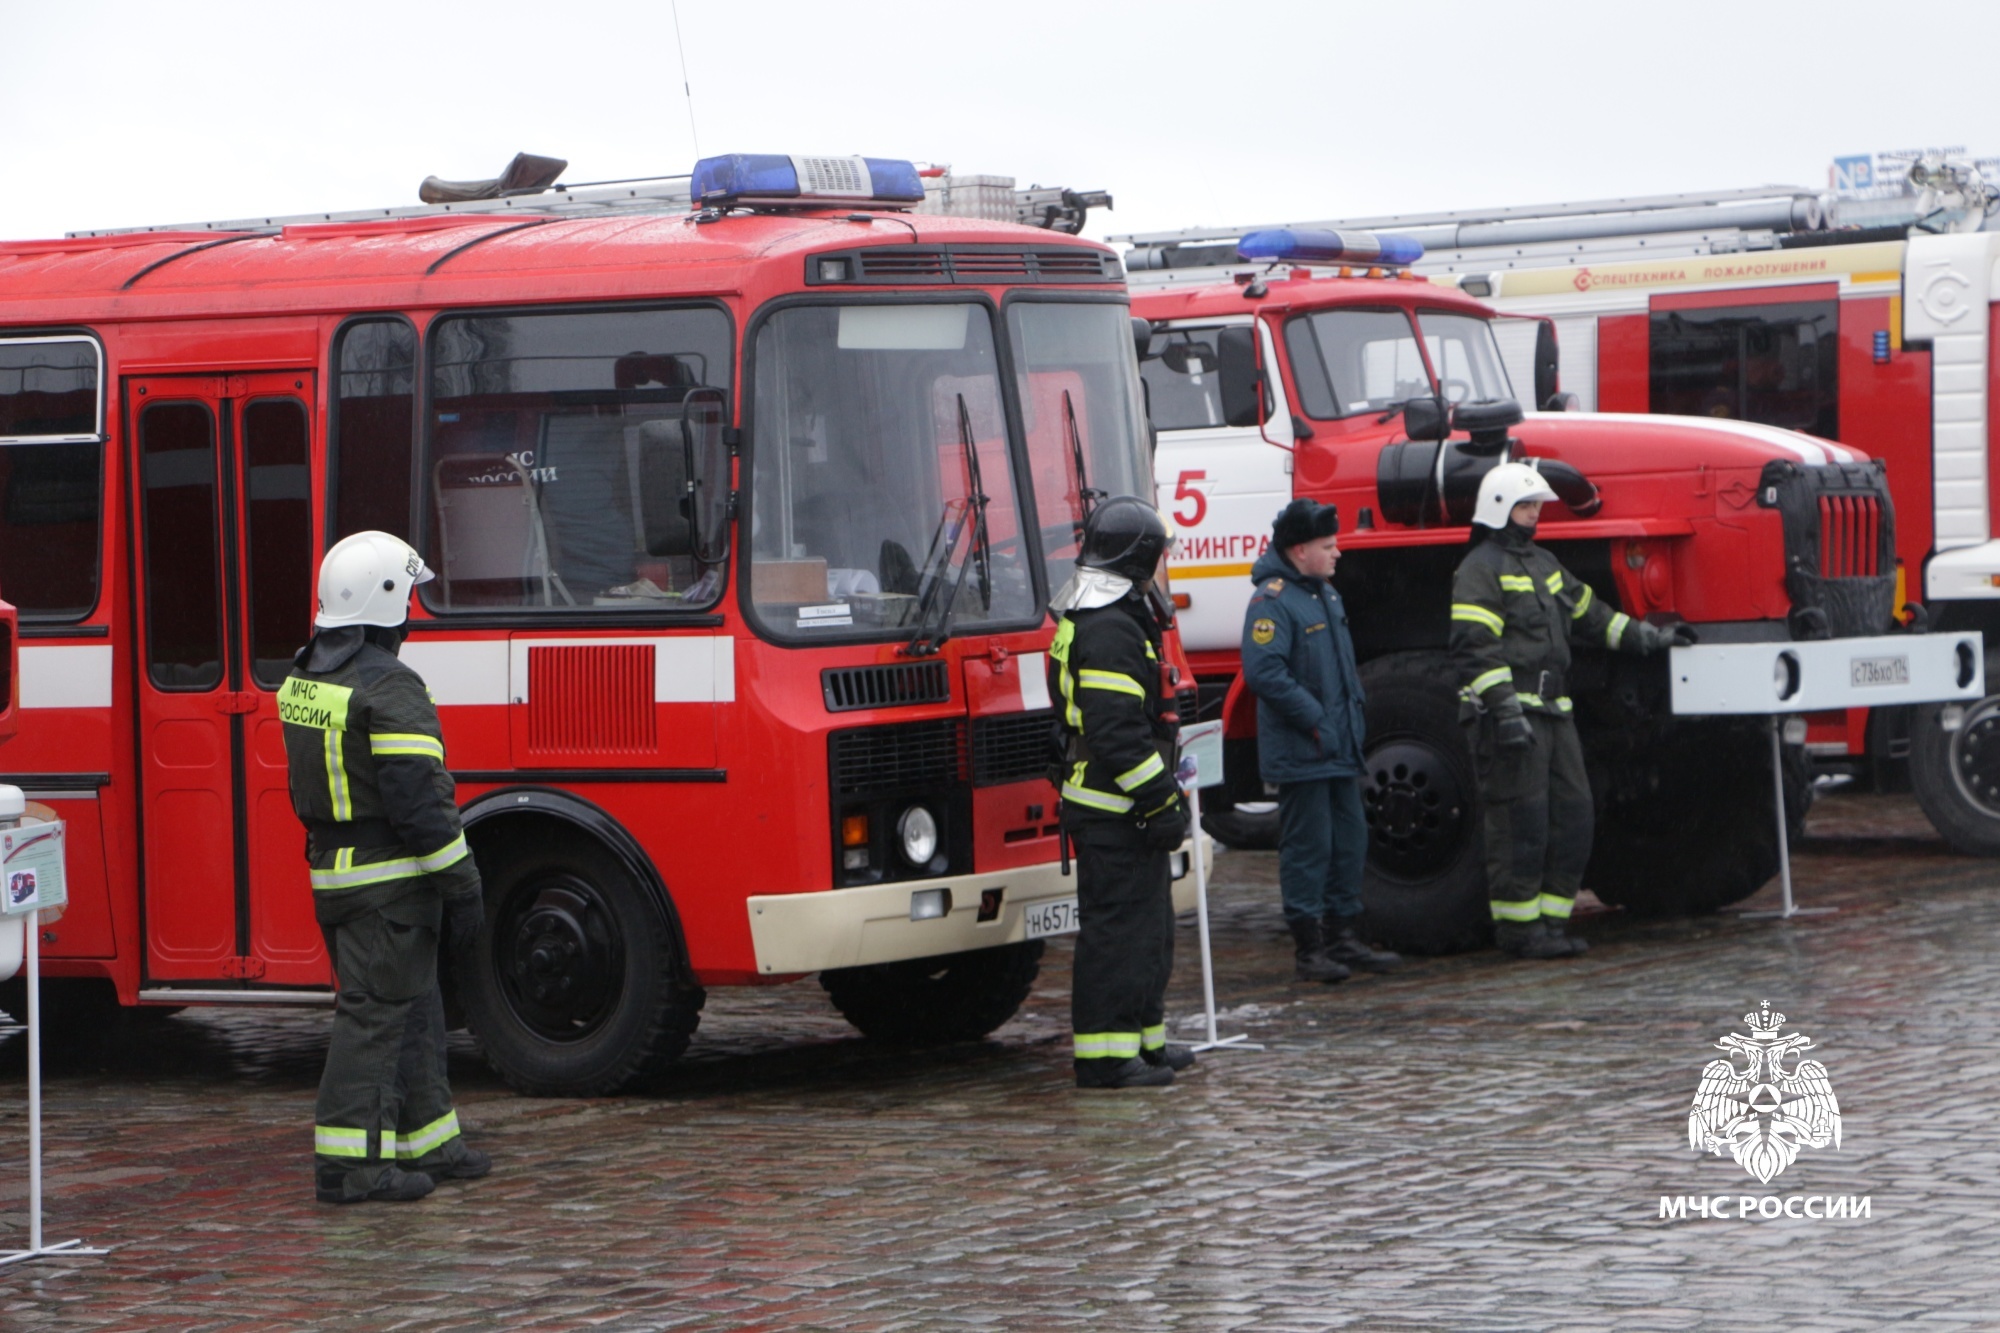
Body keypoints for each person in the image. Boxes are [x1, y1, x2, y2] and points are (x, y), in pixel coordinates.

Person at [282, 531, 492, 1202]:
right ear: (388, 602)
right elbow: (422, 803)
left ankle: (431, 1141)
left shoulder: (306, 672)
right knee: (373, 1017)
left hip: (337, 872)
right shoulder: (390, 686)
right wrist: (464, 887)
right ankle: (349, 1167)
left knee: (413, 1007)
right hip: (387, 882)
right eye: (409, 600)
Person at [1450, 464, 1695, 959]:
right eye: (1525, 506)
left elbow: (1592, 616)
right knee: (1522, 822)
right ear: (1498, 509)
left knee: (1574, 815)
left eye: (1537, 505)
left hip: (1554, 712)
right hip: (1513, 712)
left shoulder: (1544, 565)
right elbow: (1475, 648)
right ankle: (1518, 930)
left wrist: (1652, 638)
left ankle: (1551, 924)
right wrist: (1504, 711)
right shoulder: (1479, 569)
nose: (1534, 514)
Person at [1048, 497, 1192, 1089]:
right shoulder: (1107, 629)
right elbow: (1116, 734)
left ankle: (1144, 1044)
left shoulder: (1112, 615)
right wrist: (1160, 800)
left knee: (1149, 933)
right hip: (1114, 810)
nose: (1165, 568)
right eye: (1160, 557)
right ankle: (1105, 1059)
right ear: (1138, 559)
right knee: (1116, 937)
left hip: (1124, 807)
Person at [1242, 499, 1401, 984]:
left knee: (1348, 841)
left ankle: (1343, 936)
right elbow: (1264, 672)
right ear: (1300, 549)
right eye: (1328, 546)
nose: (1338, 554)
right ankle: (1309, 948)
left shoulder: (1323, 595)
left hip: (1336, 748)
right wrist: (1315, 720)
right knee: (1308, 847)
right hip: (1304, 750)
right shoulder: (1273, 600)